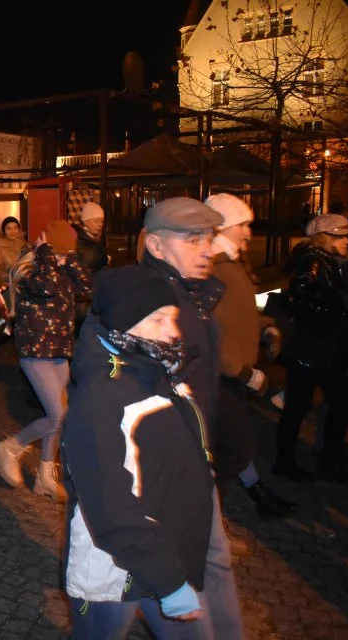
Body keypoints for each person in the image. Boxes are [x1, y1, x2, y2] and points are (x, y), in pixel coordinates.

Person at [63, 264, 215, 640]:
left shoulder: (153, 371)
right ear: (125, 323)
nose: (173, 331)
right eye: (160, 319)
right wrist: (169, 582)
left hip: (164, 555)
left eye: (174, 318)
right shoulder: (102, 398)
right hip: (117, 572)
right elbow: (109, 504)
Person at [137, 197, 243, 639]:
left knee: (216, 560)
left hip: (197, 456)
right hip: (166, 469)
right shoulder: (148, 304)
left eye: (208, 238)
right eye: (193, 239)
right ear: (157, 246)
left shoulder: (196, 294)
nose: (207, 249)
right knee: (179, 570)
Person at [205, 194, 295, 516]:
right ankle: (204, 512)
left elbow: (243, 312)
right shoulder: (214, 269)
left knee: (229, 443)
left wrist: (266, 327)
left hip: (234, 376)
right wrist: (244, 372)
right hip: (221, 376)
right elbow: (212, 331)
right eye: (243, 225)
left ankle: (254, 493)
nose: (248, 233)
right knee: (236, 448)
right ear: (224, 226)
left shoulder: (232, 265)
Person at [0, 220, 90, 501]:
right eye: (57, 252)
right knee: (57, 415)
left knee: (61, 416)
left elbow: (85, 285)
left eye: (65, 254)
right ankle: (9, 448)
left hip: (59, 349)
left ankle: (46, 476)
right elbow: (46, 287)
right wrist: (47, 255)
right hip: (35, 351)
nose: (60, 259)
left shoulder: (60, 268)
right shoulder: (27, 269)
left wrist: (67, 259)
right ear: (43, 248)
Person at [277, 214, 348, 484]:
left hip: (327, 349)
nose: (347, 240)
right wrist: (326, 307)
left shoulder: (331, 262)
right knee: (299, 407)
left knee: (341, 402)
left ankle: (329, 458)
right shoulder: (314, 262)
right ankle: (285, 461)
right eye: (342, 235)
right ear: (326, 238)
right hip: (312, 350)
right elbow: (301, 291)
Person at [0, 216, 27, 288]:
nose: (13, 231)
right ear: (3, 231)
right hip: (8, 289)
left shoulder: (23, 245)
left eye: (15, 228)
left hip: (25, 287)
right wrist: (11, 276)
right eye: (9, 228)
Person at [74, 202, 109, 276]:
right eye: (96, 221)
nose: (100, 225)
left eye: (101, 221)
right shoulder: (82, 242)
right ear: (85, 222)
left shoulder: (94, 239)